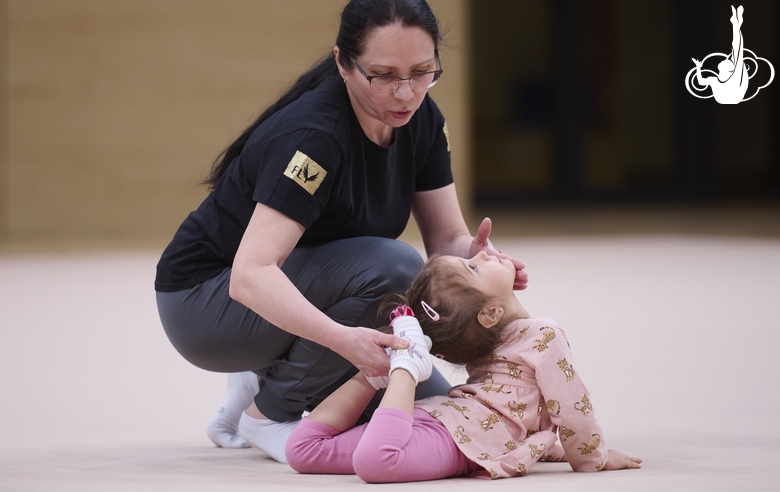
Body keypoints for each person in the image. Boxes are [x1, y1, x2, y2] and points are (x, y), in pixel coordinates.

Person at [154, 0, 528, 463]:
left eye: (422, 71)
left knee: (436, 404)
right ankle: (267, 413)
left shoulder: (422, 120)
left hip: (303, 288)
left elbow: (447, 241)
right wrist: (340, 339)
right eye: (384, 74)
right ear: (342, 64)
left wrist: (479, 259)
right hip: (204, 306)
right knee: (393, 269)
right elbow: (250, 273)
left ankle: (269, 374)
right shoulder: (315, 137)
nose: (406, 93)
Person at [285, 252, 642, 482]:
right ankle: (404, 366)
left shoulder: (487, 336)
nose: (482, 253)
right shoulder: (542, 334)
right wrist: (591, 457)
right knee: (374, 461)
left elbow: (536, 417)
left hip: (443, 421)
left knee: (302, 450)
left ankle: (382, 372)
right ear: (488, 314)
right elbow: (570, 404)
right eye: (473, 266)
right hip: (456, 435)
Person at [692, 5, 748, 104]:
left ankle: (736, 23)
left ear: (729, 69)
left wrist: (698, 67)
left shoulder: (729, 78)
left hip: (732, 96)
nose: (725, 59)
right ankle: (736, 23)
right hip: (730, 97)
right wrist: (698, 67)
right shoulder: (716, 80)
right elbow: (701, 82)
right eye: (729, 61)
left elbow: (738, 49)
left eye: (727, 61)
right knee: (737, 51)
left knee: (737, 50)